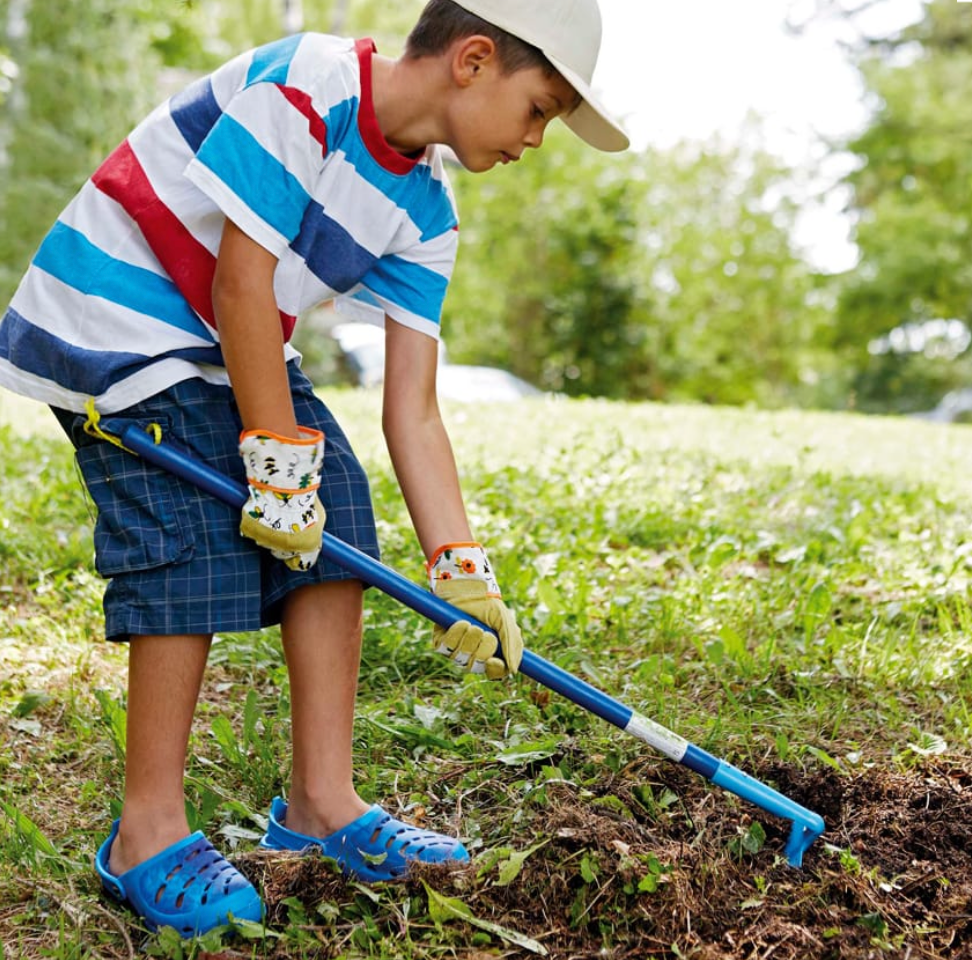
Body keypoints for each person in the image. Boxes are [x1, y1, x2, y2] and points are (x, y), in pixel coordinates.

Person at [0, 0, 628, 937]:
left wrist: (461, 564)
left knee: (335, 500)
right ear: (474, 59)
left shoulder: (426, 208)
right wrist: (270, 463)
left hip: (219, 343)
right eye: (538, 109)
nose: (537, 138)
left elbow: (411, 405)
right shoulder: (308, 85)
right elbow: (241, 280)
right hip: (117, 320)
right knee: (191, 545)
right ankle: (146, 832)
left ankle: (321, 804)